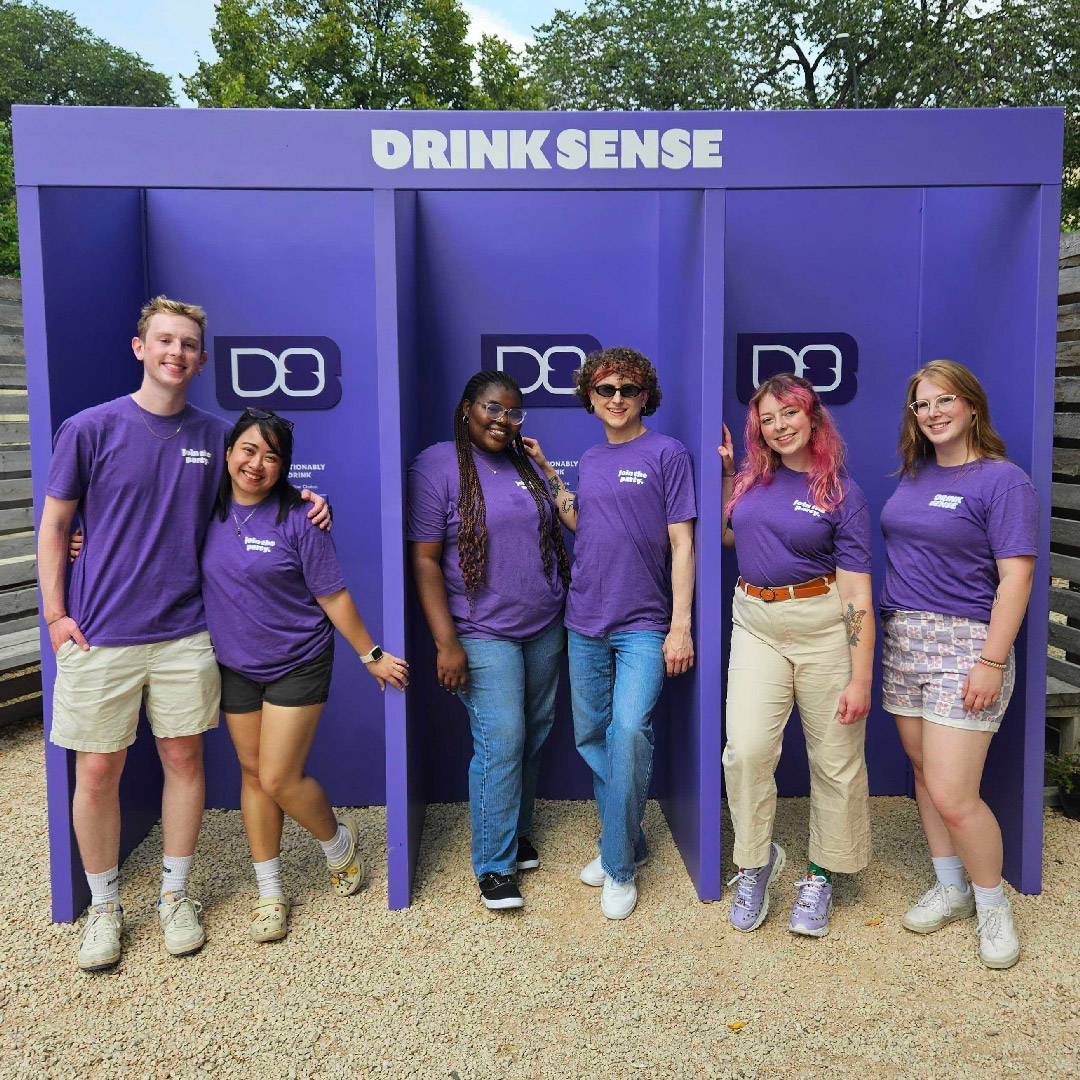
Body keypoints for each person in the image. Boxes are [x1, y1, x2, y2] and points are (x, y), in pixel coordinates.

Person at [38, 296, 329, 972]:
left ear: (201, 359)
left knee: (185, 763)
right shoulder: (89, 428)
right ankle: (106, 907)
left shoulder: (217, 435)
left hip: (186, 634)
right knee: (99, 769)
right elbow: (55, 526)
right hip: (99, 633)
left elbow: (263, 485)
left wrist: (314, 501)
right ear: (140, 347)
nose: (176, 352)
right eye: (164, 340)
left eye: (188, 344)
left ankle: (176, 896)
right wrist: (55, 615)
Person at [201, 409, 407, 942]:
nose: (257, 464)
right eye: (248, 450)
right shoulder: (203, 507)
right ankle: (270, 892)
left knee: (277, 777)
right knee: (252, 774)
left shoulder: (301, 517)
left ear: (285, 467)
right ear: (228, 453)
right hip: (235, 664)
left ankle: (337, 845)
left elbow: (332, 595)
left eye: (272, 456)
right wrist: (85, 544)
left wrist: (372, 654)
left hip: (297, 658)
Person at [524, 346, 696, 921]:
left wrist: (681, 626)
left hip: (645, 624)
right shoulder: (591, 458)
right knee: (593, 737)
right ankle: (628, 841)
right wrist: (551, 475)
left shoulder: (667, 453)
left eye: (626, 389)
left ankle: (619, 864)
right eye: (604, 390)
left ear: (645, 395)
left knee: (628, 734)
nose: (616, 398)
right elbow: (581, 521)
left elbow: (683, 543)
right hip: (585, 620)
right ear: (590, 400)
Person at [881, 360, 1037, 970]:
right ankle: (951, 888)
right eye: (922, 405)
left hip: (965, 647)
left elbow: (1016, 577)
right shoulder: (914, 474)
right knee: (923, 773)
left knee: (953, 792)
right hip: (903, 641)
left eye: (944, 401)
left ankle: (991, 903)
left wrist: (991, 661)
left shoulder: (1004, 482)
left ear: (972, 405)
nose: (933, 413)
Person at [719, 374, 874, 938]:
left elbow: (857, 594)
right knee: (747, 750)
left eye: (789, 414)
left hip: (824, 627)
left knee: (834, 759)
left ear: (812, 418)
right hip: (756, 623)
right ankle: (755, 862)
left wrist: (860, 678)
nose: (779, 426)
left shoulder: (840, 491)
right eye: (768, 418)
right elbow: (731, 537)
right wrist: (724, 476)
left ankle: (820, 874)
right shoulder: (751, 479)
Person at [408, 371, 570, 910]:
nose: (503, 420)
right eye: (493, 409)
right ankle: (494, 865)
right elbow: (425, 559)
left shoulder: (524, 462)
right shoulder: (436, 465)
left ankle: (516, 830)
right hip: (480, 630)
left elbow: (556, 529)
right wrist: (445, 642)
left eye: (514, 412)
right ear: (467, 408)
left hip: (543, 623)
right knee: (501, 739)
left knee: (534, 733)